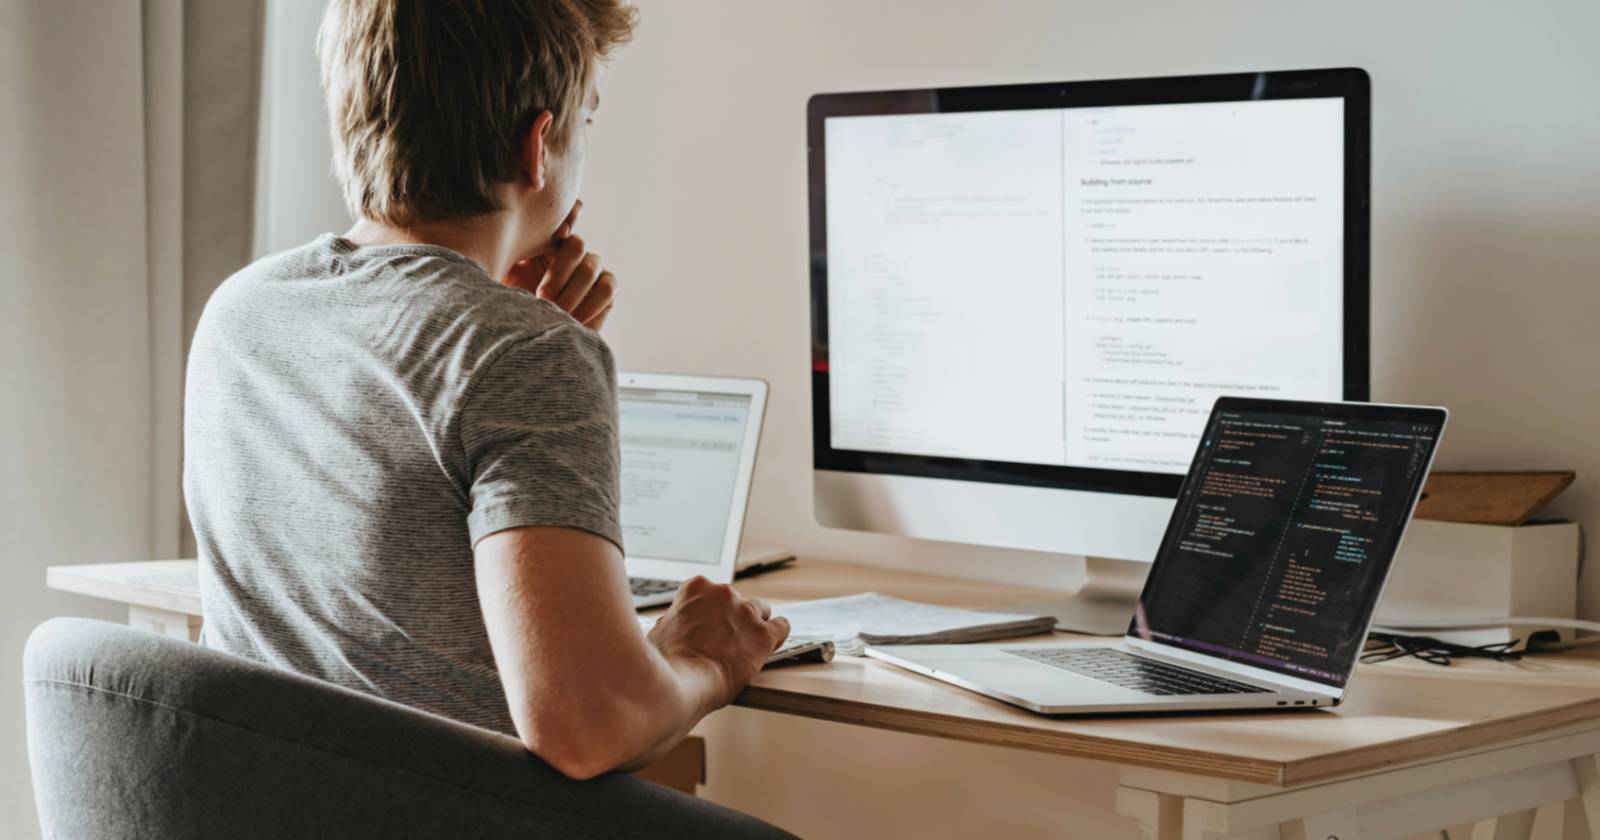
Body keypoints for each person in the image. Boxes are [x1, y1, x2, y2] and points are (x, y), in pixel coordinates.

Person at [182, 0, 792, 823]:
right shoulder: (522, 352)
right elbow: (585, 724)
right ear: (538, 146)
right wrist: (702, 660)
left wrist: (513, 335)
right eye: (585, 120)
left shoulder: (241, 311)